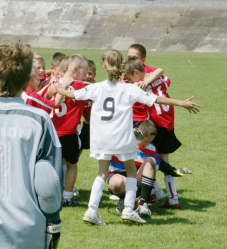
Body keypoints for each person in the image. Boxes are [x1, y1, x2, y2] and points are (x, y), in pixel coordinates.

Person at [54, 49, 200, 226]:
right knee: (131, 170)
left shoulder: (96, 87)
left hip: (100, 138)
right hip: (121, 136)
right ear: (122, 66)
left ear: (103, 66)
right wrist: (181, 103)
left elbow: (71, 94)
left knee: (101, 173)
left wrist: (57, 87)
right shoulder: (129, 89)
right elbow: (157, 100)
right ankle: (129, 210)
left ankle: (91, 211)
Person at [0, 41, 63, 249]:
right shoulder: (41, 121)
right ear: (27, 81)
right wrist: (53, 225)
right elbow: (50, 184)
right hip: (26, 236)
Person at [123, 56, 189, 209]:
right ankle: (173, 199)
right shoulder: (160, 79)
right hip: (168, 122)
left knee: (145, 159)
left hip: (155, 125)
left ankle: (153, 192)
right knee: (162, 161)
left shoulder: (138, 85)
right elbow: (164, 77)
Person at [108, 120, 192, 219]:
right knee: (116, 182)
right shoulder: (122, 141)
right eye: (146, 141)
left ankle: (143, 205)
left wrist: (174, 171)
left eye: (150, 141)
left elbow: (161, 164)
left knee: (151, 161)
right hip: (118, 180)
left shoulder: (151, 148)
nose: (148, 144)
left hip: (136, 182)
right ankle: (123, 200)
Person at [52, 54, 89, 207]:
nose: (86, 76)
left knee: (55, 164)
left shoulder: (54, 82)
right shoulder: (80, 85)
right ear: (75, 70)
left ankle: (52, 194)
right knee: (72, 164)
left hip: (52, 132)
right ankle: (68, 197)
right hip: (68, 133)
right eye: (85, 72)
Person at [79, 59, 97, 157]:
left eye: (90, 74)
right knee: (77, 149)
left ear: (95, 75)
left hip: (100, 125)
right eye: (85, 73)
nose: (87, 77)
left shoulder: (99, 88)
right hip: (88, 124)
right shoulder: (79, 88)